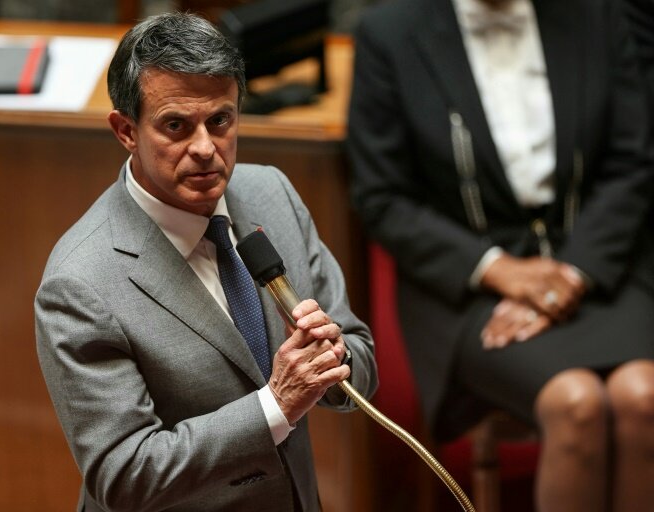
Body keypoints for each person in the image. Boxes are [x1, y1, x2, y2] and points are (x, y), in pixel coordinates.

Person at [35, 12, 377, 512]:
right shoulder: (80, 281)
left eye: (220, 120)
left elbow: (360, 356)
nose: (204, 148)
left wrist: (335, 360)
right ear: (126, 130)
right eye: (175, 126)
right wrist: (274, 406)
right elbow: (124, 475)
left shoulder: (272, 195)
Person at [347, 0, 654, 510]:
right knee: (575, 403)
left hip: (598, 258)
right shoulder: (390, 31)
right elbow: (384, 199)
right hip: (465, 279)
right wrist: (499, 270)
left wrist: (575, 273)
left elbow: (632, 163)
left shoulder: (597, 14)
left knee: (644, 397)